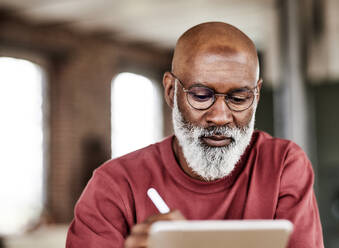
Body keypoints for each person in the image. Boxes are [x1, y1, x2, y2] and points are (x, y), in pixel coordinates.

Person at [66, 22, 324, 248]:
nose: (220, 116)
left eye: (239, 98)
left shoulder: (281, 166)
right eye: (201, 96)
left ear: (256, 95)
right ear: (170, 91)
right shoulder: (114, 187)